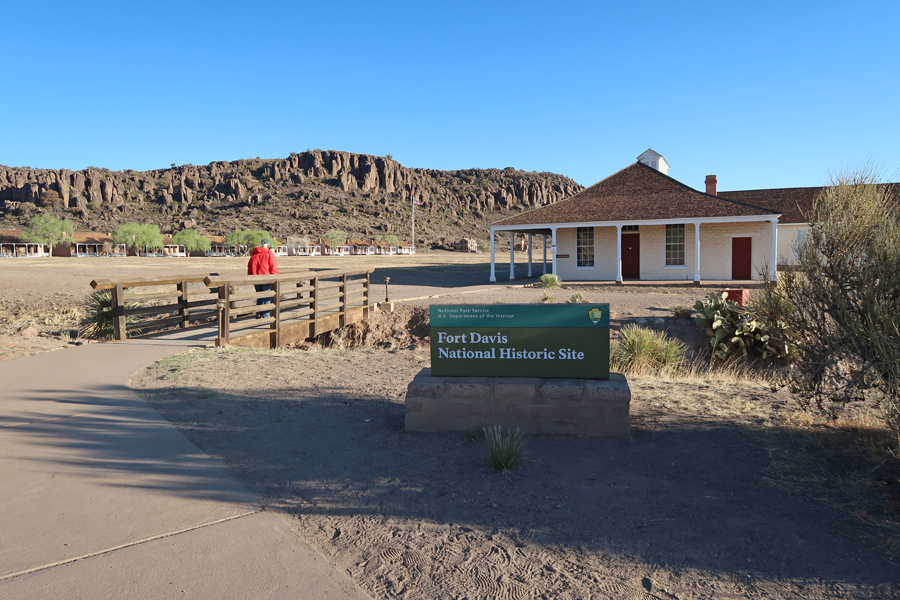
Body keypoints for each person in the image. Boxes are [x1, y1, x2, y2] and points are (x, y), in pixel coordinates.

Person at [247, 238, 279, 319]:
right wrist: (275, 277)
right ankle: (266, 316)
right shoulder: (269, 254)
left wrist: (250, 276)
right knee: (267, 297)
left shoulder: (254, 254)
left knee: (259, 296)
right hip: (266, 278)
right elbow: (273, 267)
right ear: (268, 245)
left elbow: (249, 266)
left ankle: (258, 313)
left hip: (255, 278)